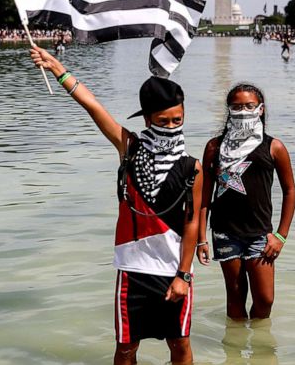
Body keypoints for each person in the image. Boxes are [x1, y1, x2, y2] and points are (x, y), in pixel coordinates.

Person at [29, 46, 203, 365]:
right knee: (126, 348)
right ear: (148, 119)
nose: (171, 127)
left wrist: (184, 275)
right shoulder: (130, 149)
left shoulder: (193, 167)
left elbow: (192, 222)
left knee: (180, 346)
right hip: (133, 269)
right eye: (163, 121)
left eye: (178, 119)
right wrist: (57, 68)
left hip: (174, 271)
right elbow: (93, 106)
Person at [197, 83, 295, 321]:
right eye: (237, 106)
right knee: (235, 296)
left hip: (260, 234)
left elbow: (290, 191)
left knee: (265, 300)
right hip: (225, 232)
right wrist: (201, 239)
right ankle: (235, 352)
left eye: (249, 106)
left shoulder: (274, 147)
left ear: (261, 109)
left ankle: (261, 350)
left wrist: (281, 236)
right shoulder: (214, 147)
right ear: (228, 110)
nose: (243, 111)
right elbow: (204, 197)